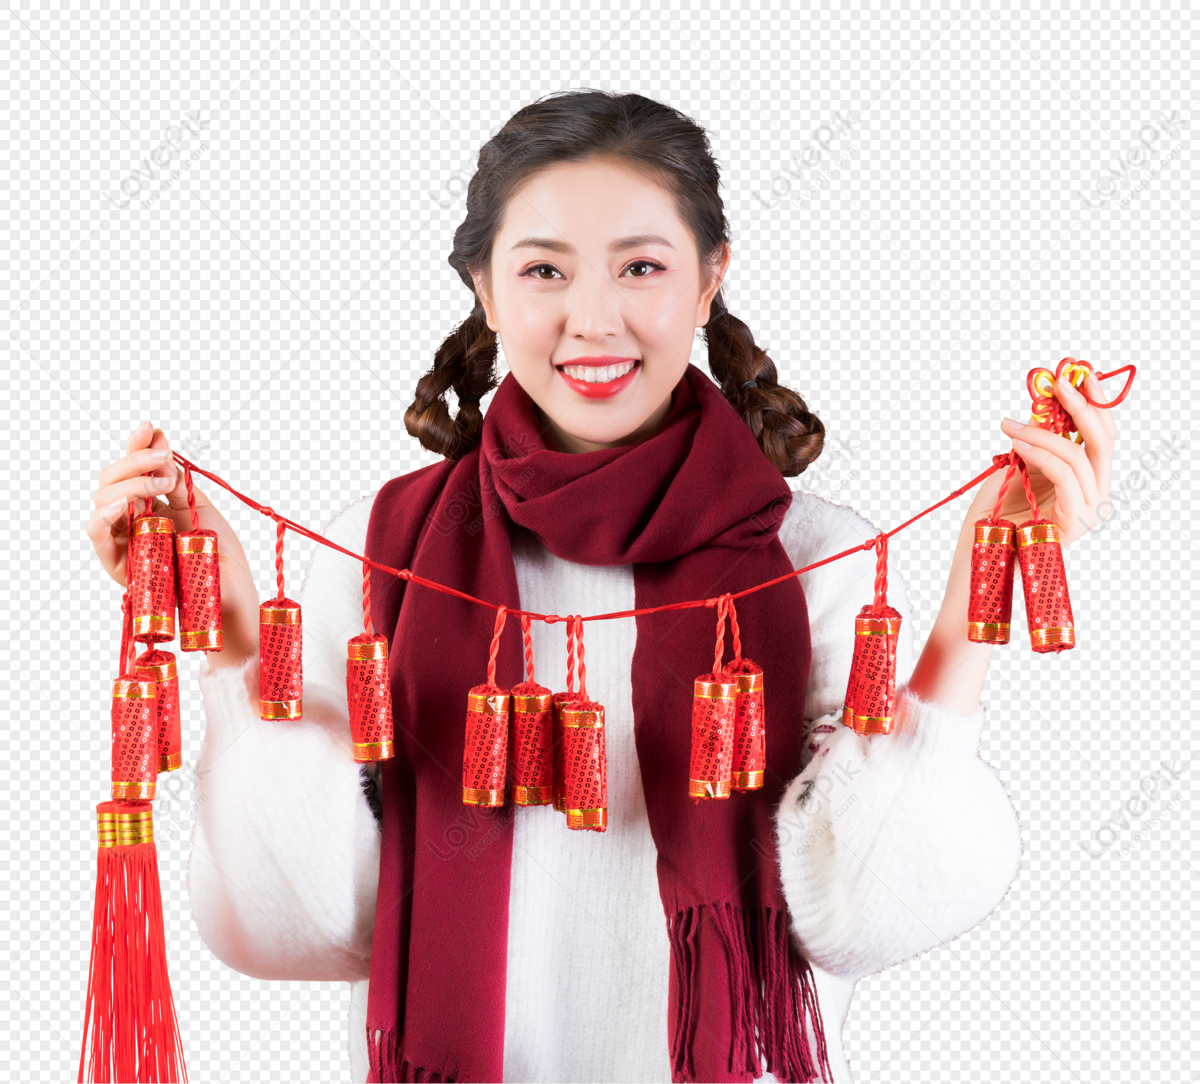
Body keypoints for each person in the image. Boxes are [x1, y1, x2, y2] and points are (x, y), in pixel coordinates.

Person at [86, 90, 1117, 1083]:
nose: (594, 318)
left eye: (641, 267)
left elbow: (866, 914)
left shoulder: (817, 561)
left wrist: (968, 617)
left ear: (709, 280)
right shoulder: (376, 549)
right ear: (485, 291)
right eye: (544, 270)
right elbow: (305, 928)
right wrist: (226, 641)